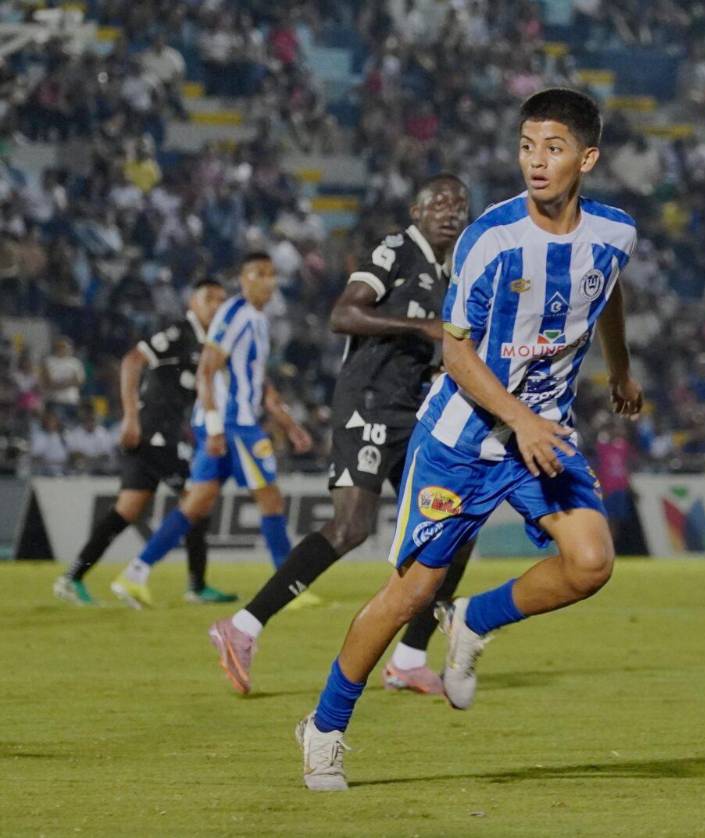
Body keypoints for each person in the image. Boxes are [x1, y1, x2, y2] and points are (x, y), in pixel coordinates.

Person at [295, 87, 643, 791]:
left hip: (541, 433)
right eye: (525, 145)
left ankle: (475, 619)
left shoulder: (615, 234)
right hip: (464, 438)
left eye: (552, 147)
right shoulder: (491, 239)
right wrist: (518, 418)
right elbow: (455, 354)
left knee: (591, 562)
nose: (535, 162)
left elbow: (606, 293)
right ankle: (326, 727)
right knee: (406, 595)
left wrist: (621, 371)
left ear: (588, 157)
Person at [207, 174, 475, 696]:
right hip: (369, 403)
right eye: (439, 201)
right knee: (351, 525)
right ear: (417, 210)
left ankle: (409, 659)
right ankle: (241, 628)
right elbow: (344, 314)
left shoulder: (451, 275)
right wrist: (420, 329)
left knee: (453, 530)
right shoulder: (397, 249)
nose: (450, 212)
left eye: (459, 205)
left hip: (416, 413)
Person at [109, 253, 313, 608]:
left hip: (231, 423)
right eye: (259, 273)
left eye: (271, 274)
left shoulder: (258, 321)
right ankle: (288, 587)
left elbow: (257, 381)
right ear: (244, 279)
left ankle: (135, 573)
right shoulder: (234, 313)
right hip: (234, 425)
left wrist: (289, 425)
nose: (268, 280)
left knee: (197, 503)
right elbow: (207, 368)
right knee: (270, 498)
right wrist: (217, 427)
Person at [53, 279, 232, 606]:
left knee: (124, 512)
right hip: (152, 434)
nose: (216, 305)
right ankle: (196, 585)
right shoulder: (180, 333)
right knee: (197, 500)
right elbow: (132, 361)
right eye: (209, 298)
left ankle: (72, 577)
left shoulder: (211, 343)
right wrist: (130, 416)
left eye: (222, 300)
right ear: (193, 302)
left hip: (162, 435)